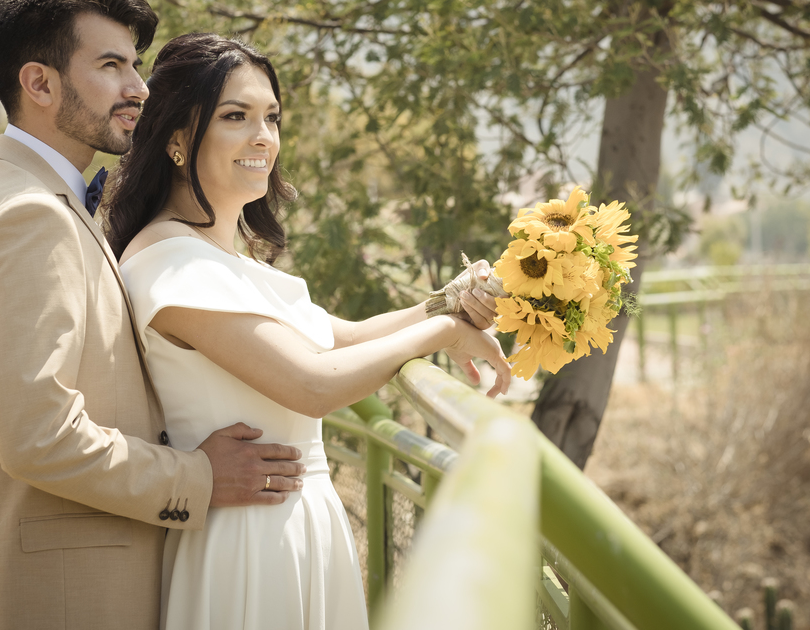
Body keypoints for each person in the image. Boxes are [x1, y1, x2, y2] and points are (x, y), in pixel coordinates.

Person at [0, 0, 306, 630]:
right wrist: (197, 479)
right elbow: (38, 436)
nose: (139, 89)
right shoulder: (29, 216)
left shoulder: (13, 194)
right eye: (111, 66)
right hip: (58, 597)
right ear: (39, 83)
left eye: (135, 65)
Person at [106, 32, 512, 630]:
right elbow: (313, 383)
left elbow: (338, 338)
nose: (263, 137)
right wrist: (444, 333)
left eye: (271, 117)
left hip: (293, 523)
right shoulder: (170, 261)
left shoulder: (223, 257)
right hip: (247, 537)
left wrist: (450, 304)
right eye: (235, 116)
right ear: (176, 138)